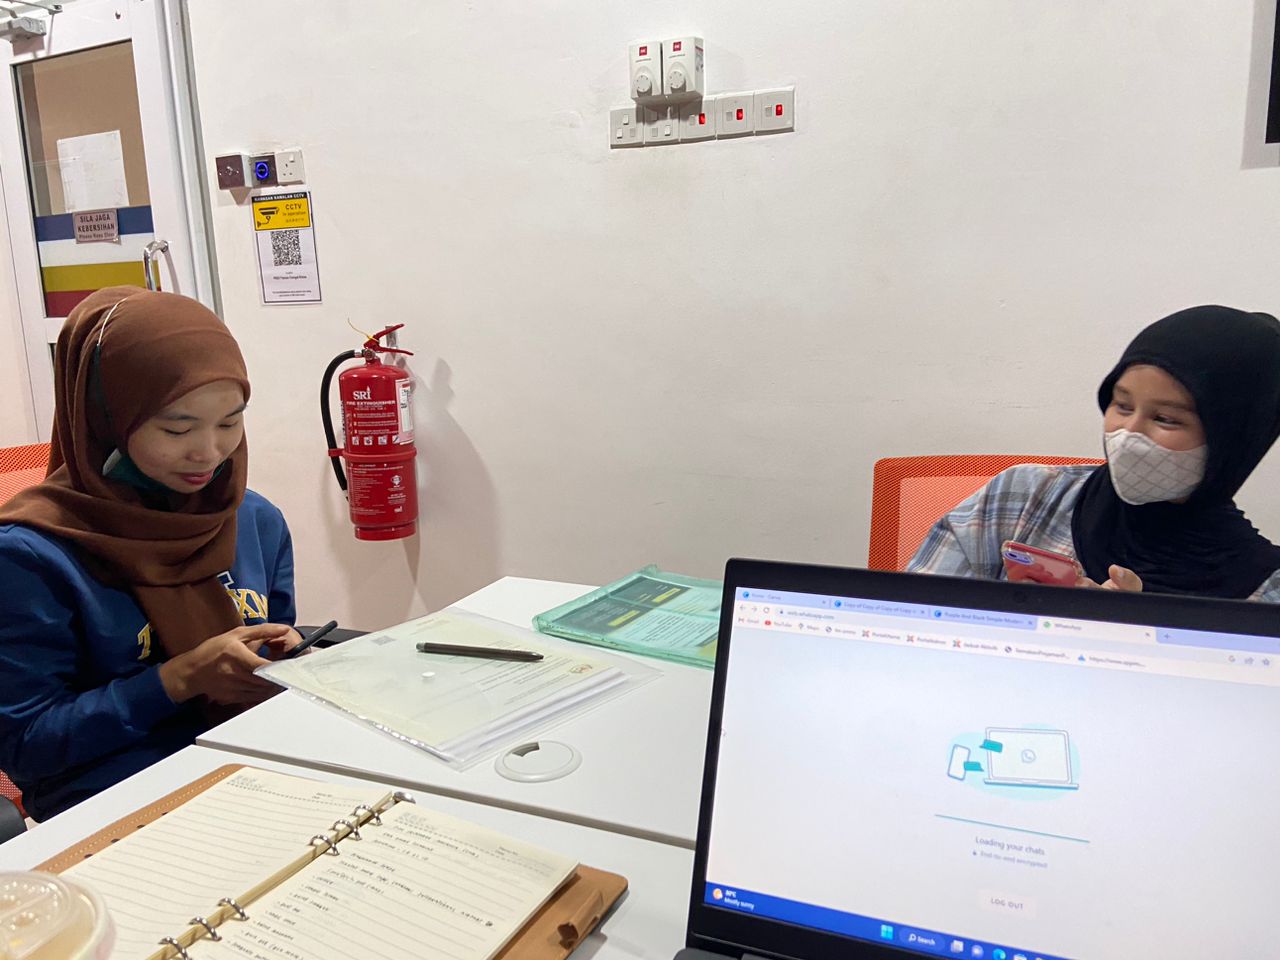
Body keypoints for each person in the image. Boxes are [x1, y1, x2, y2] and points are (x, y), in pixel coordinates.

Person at [0, 286, 301, 820]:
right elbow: (26, 746)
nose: (209, 452)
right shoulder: (32, 555)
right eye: (177, 428)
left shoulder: (252, 518)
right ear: (105, 418)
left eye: (229, 423)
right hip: (116, 802)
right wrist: (178, 680)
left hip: (257, 773)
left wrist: (287, 657)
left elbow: (273, 642)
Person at [908, 305, 1280, 601]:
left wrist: (1133, 640)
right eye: (1122, 405)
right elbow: (916, 622)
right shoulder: (1023, 496)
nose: (1129, 433)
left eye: (1165, 419)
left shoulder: (1263, 590)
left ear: (1234, 441)